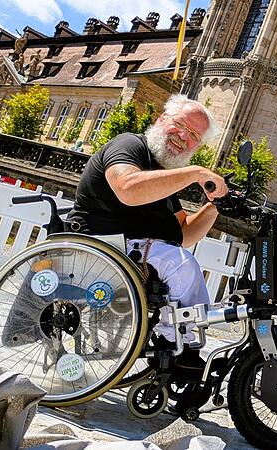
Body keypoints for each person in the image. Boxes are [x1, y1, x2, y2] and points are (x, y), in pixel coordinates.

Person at [67, 94, 228, 348]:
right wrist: (194, 173)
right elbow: (127, 189)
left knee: (180, 259)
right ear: (162, 118)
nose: (184, 137)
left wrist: (217, 204)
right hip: (101, 245)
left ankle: (183, 336)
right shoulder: (129, 145)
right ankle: (175, 339)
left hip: (132, 252)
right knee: (180, 264)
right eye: (182, 126)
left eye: (194, 137)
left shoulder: (163, 176)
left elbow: (184, 234)